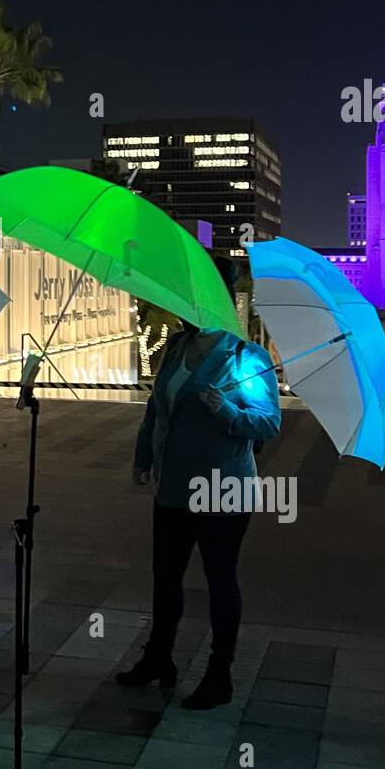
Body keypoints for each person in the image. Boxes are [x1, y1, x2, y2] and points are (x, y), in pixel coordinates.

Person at [118, 256, 281, 710]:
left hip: (223, 489)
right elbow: (157, 407)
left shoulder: (244, 357)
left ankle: (219, 673)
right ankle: (158, 658)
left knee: (219, 578)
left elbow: (268, 424)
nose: (181, 304)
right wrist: (144, 456)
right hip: (173, 485)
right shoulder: (174, 348)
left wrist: (225, 410)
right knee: (164, 577)